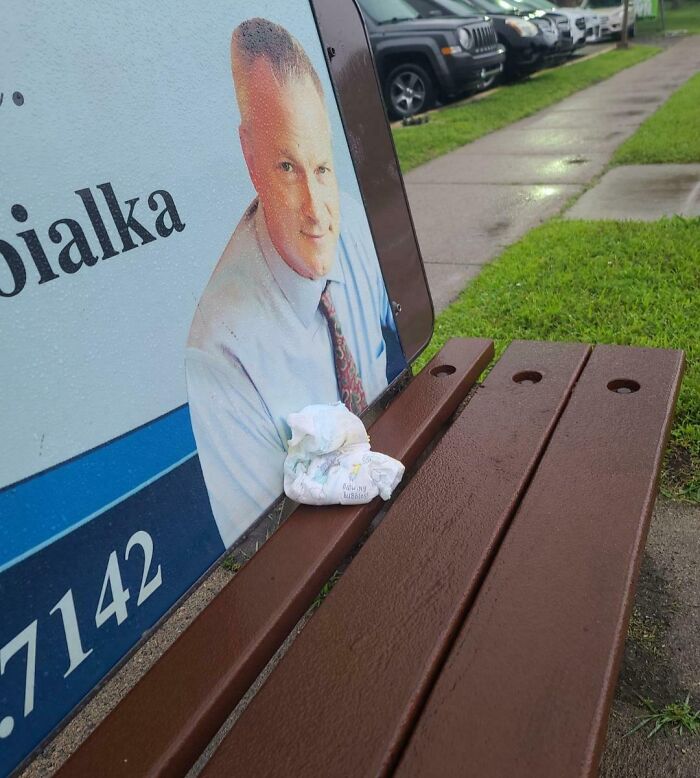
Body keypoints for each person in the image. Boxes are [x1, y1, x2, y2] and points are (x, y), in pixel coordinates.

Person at [186, 17, 402, 548]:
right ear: (249, 157)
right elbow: (267, 549)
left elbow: (387, 345)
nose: (316, 211)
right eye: (287, 167)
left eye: (322, 168)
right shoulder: (220, 352)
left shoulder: (348, 225)